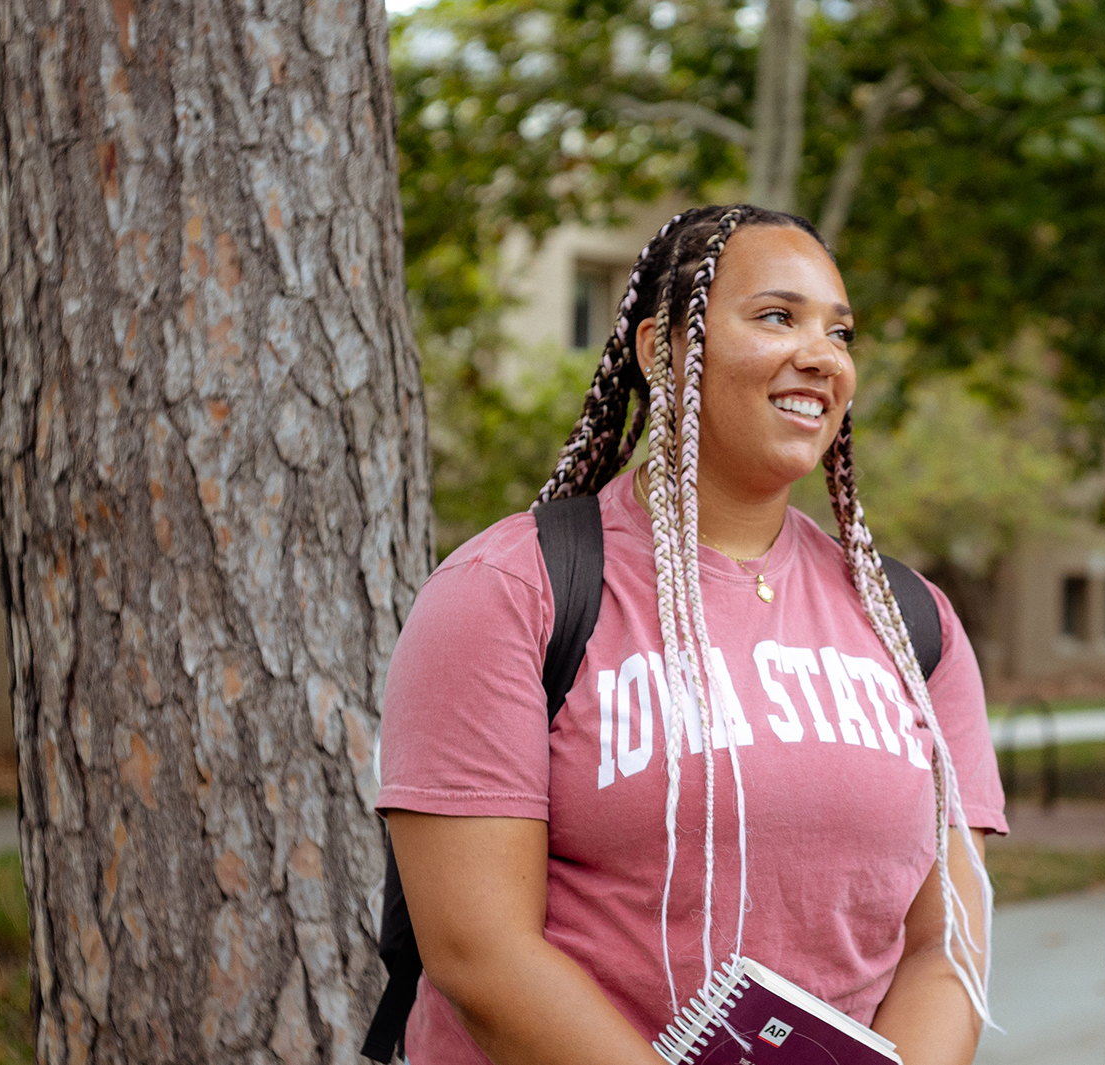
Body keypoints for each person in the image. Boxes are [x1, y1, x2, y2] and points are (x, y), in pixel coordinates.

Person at [374, 205, 1004, 1065]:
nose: (822, 355)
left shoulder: (909, 622)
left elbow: (948, 946)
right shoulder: (510, 593)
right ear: (660, 348)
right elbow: (481, 958)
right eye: (778, 316)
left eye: (841, 331)